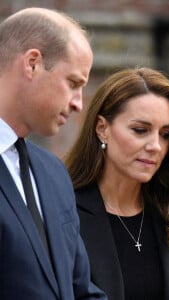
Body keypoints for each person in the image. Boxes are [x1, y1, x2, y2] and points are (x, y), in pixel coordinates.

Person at [65, 67, 169, 300]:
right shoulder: (65, 213)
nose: (155, 145)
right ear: (102, 129)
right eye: (140, 130)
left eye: (165, 134)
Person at [0, 7, 107, 300]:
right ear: (32, 63)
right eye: (73, 83)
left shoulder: (53, 173)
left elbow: (80, 289)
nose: (78, 104)